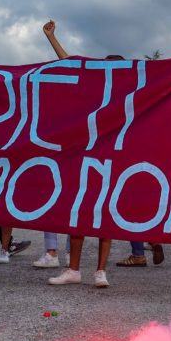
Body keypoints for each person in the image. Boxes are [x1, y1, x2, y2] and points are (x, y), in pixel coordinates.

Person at [41, 19, 111, 287]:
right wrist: (51, 38)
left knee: (105, 218)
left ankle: (100, 272)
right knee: (79, 213)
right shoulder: (95, 89)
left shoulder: (132, 95)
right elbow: (71, 65)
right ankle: (74, 270)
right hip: (86, 159)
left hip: (112, 161)